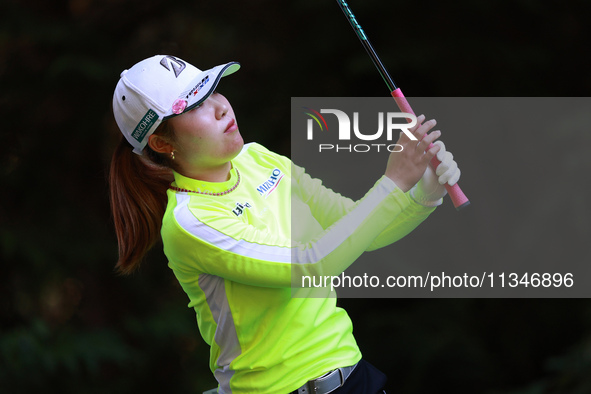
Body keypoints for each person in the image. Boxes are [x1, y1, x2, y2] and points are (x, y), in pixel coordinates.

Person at [109, 54, 460, 394]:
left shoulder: (258, 158)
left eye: (212, 88)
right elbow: (309, 265)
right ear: (161, 142)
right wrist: (393, 182)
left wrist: (423, 195)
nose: (219, 106)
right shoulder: (189, 221)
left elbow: (354, 229)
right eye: (193, 104)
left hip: (352, 375)